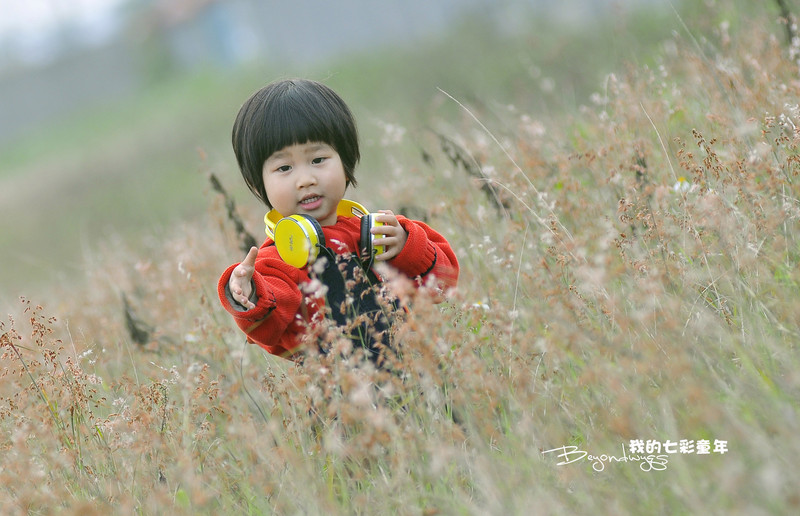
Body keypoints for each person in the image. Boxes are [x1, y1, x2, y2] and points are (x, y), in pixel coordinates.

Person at [217, 78, 458, 363]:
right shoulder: (278, 260)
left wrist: (407, 246)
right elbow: (271, 330)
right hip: (341, 398)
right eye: (284, 167)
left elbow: (445, 282)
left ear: (346, 161)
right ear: (259, 185)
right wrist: (249, 294)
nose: (306, 179)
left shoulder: (379, 233)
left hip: (417, 381)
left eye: (318, 159)